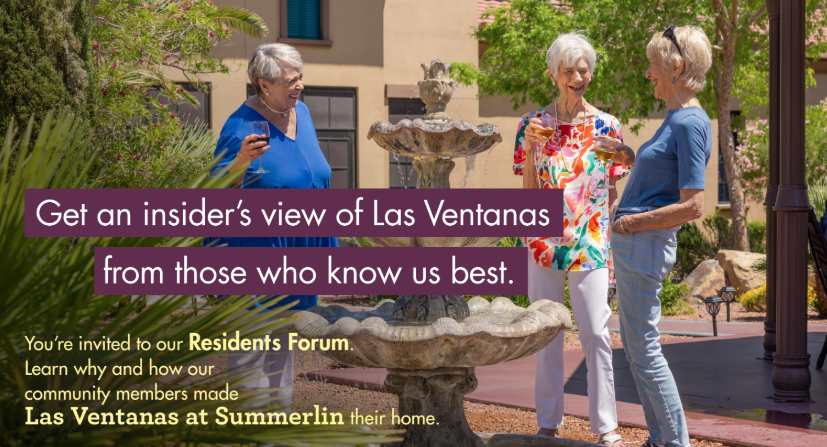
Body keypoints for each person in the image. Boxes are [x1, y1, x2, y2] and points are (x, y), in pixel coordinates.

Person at [514, 32, 635, 447]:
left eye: (584, 70)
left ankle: (606, 426)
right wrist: (530, 150)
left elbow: (611, 192)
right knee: (546, 332)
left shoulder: (606, 127)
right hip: (543, 243)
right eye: (569, 71)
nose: (578, 78)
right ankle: (547, 421)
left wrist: (610, 243)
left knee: (596, 332)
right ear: (553, 75)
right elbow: (528, 196)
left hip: (590, 241)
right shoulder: (532, 126)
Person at [205, 43, 338, 413]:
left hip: (295, 254)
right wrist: (242, 161)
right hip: (253, 257)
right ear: (264, 84)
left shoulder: (303, 113)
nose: (300, 86)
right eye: (291, 81)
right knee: (251, 361)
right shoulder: (241, 125)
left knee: (281, 360)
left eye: (301, 78)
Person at [602, 25, 714, 447]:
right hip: (639, 244)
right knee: (636, 352)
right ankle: (660, 440)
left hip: (643, 244)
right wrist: (632, 158)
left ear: (677, 66)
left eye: (652, 64)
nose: (648, 73)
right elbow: (662, 186)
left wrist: (630, 223)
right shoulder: (676, 119)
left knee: (644, 352)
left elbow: (693, 206)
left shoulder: (689, 122)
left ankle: (674, 443)